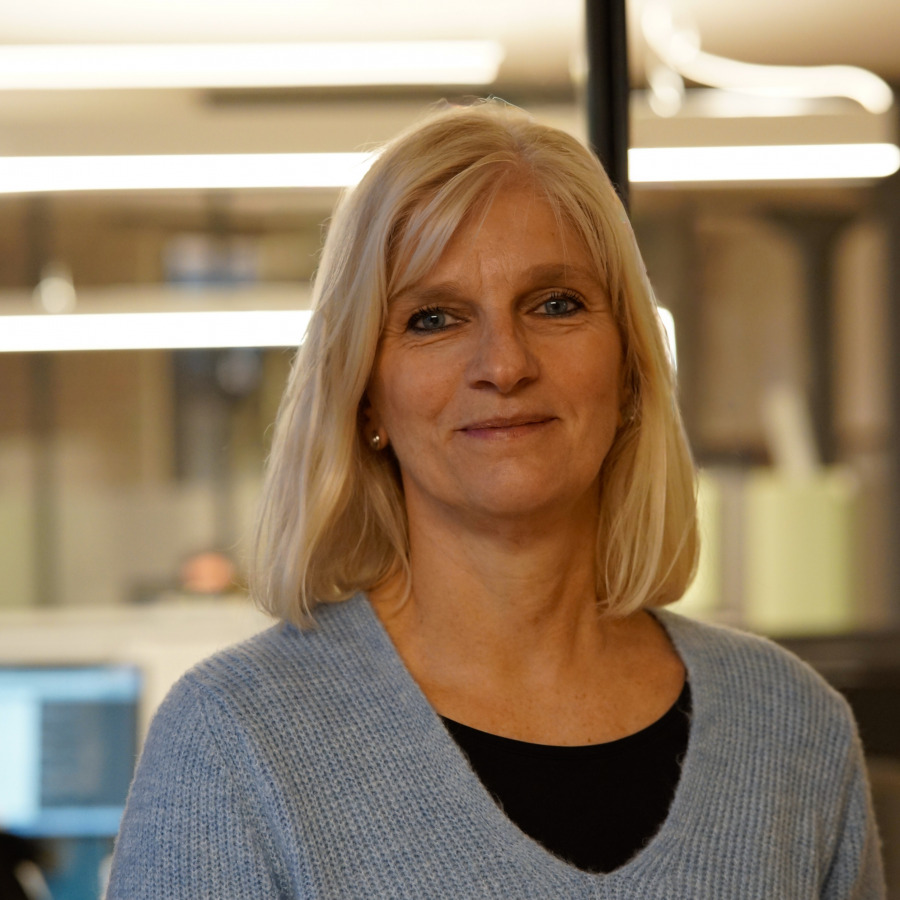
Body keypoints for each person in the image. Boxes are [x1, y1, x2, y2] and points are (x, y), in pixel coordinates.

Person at [107, 100, 885, 898]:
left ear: (628, 368)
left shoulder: (793, 730)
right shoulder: (235, 741)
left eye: (556, 305)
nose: (505, 365)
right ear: (364, 395)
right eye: (433, 319)